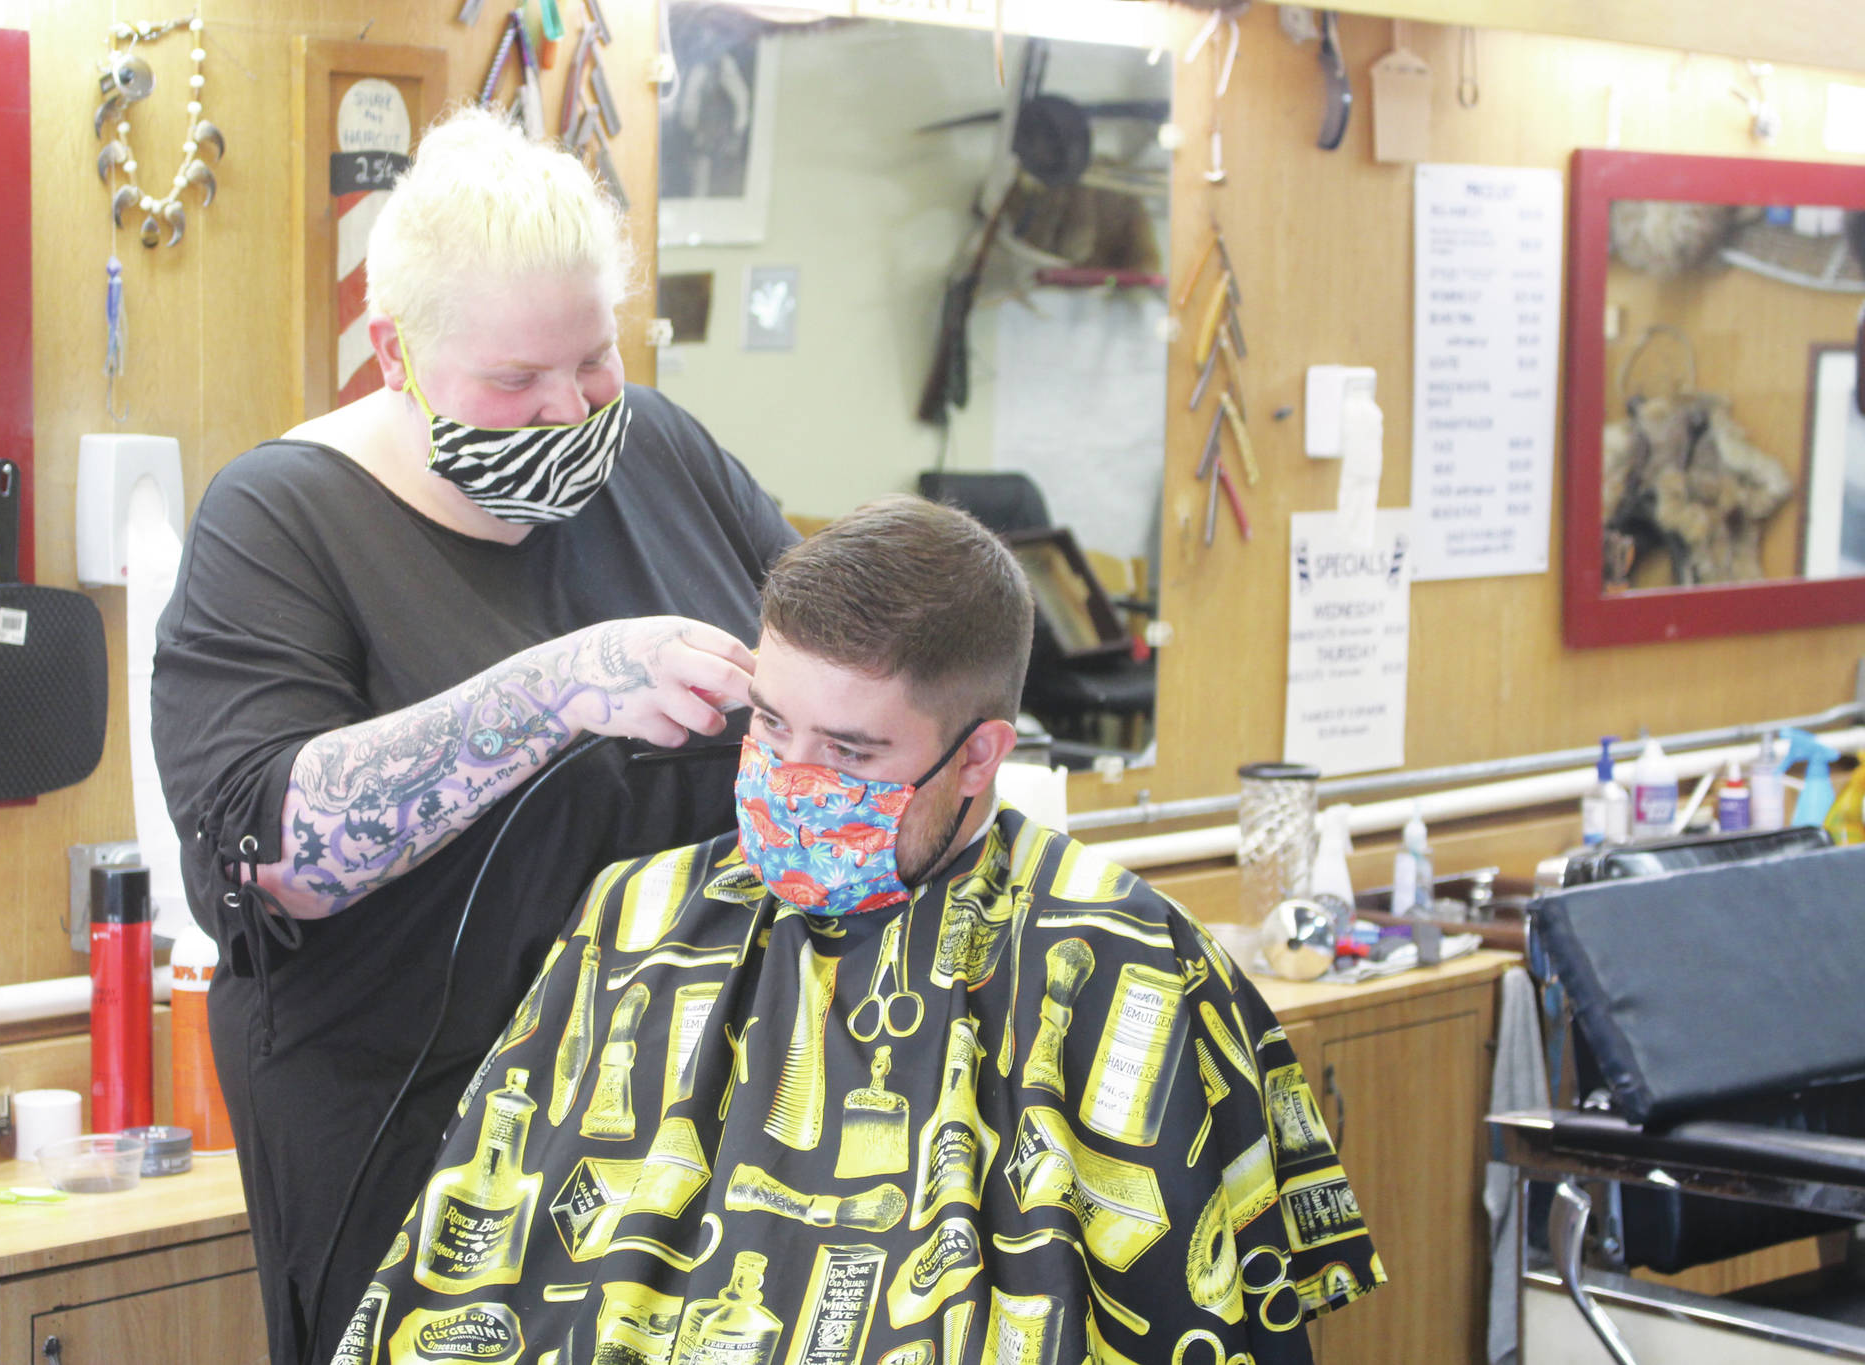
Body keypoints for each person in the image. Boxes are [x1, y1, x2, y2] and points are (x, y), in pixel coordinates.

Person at [337, 497, 1383, 1364]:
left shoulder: (1115, 960)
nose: (792, 783)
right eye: (770, 725)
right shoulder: (640, 918)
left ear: (979, 758)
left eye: (849, 753)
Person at [151, 106, 796, 1365]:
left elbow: (824, 659)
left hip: (697, 1112)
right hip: (421, 1131)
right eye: (513, 381)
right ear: (392, 350)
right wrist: (552, 691)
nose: (567, 411)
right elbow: (270, 848)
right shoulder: (279, 519)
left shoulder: (658, 449)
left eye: (593, 363)